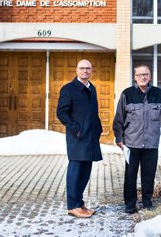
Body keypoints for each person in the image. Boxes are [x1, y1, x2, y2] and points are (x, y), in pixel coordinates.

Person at [113, 64, 161, 214]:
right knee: (130, 175)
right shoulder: (127, 94)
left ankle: (147, 202)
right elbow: (118, 119)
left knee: (148, 175)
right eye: (139, 75)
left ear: (149, 76)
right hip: (131, 144)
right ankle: (130, 204)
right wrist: (119, 138)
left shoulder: (158, 93)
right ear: (135, 77)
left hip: (151, 143)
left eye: (145, 74)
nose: (142, 77)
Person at [56, 59, 103, 218]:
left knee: (85, 172)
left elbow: (93, 112)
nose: (85, 71)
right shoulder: (69, 89)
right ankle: (72, 206)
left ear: (91, 71)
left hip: (90, 137)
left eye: (88, 68)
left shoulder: (92, 88)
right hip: (78, 137)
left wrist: (98, 129)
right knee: (75, 171)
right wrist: (77, 130)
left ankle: (79, 203)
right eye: (82, 68)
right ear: (76, 70)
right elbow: (61, 113)